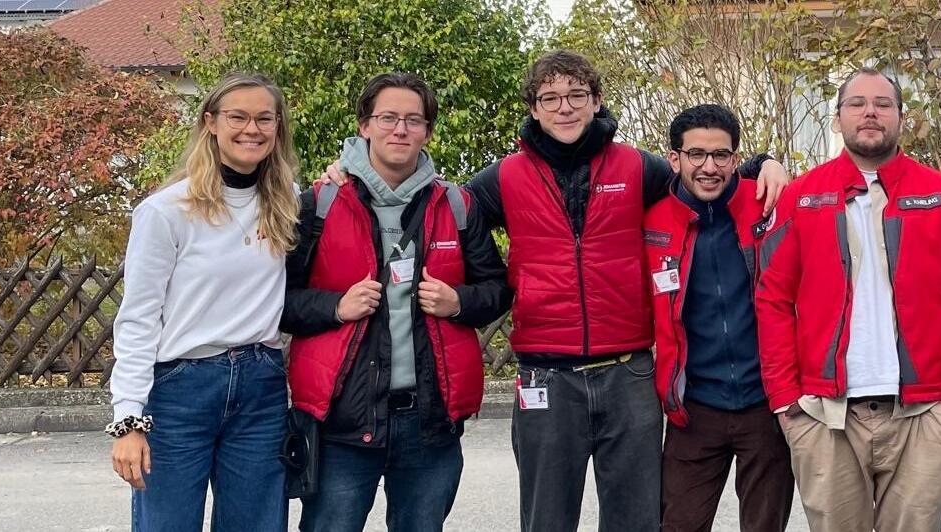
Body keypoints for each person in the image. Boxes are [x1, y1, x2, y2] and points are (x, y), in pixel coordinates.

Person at [316, 50, 790, 531]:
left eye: (576, 96)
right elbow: (435, 202)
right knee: (547, 519)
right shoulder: (503, 178)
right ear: (534, 108)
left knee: (636, 520)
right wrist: (351, 173)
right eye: (551, 98)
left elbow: (703, 176)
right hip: (546, 375)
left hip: (628, 374)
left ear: (597, 102)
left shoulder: (636, 168)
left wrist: (762, 164)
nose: (564, 108)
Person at [755, 67, 941, 532]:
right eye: (856, 104)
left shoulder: (939, 194)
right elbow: (772, 300)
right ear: (837, 118)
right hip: (825, 415)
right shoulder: (802, 197)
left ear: (901, 117)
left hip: (925, 413)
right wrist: (786, 402)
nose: (870, 113)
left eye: (883, 104)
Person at [282, 72, 510, 532]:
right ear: (364, 125)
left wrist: (458, 301)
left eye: (413, 120)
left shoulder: (457, 204)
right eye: (388, 118)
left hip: (429, 421)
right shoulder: (318, 204)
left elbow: (498, 288)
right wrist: (334, 308)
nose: (400, 130)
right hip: (343, 423)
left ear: (428, 130)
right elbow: (276, 302)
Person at [109, 73, 300, 531]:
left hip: (261, 385)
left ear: (277, 129)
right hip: (180, 390)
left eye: (264, 119)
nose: (251, 129)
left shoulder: (288, 203)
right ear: (210, 122)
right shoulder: (166, 212)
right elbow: (138, 318)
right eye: (238, 117)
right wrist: (128, 419)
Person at [643, 104, 794, 532]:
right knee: (679, 524)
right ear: (675, 159)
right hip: (693, 409)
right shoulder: (651, 220)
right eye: (696, 155)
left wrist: (769, 161)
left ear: (735, 158)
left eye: (721, 155)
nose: (709, 167)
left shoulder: (769, 204)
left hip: (767, 404)